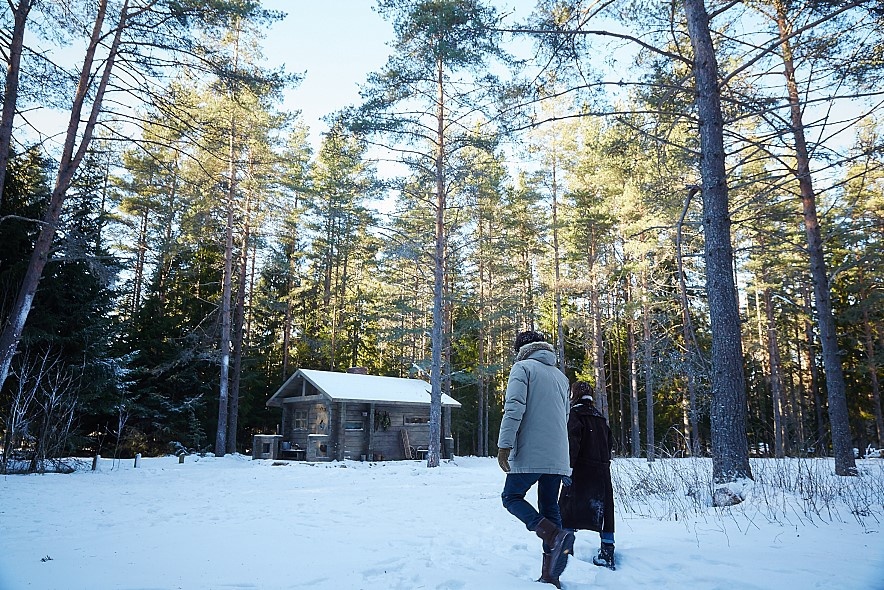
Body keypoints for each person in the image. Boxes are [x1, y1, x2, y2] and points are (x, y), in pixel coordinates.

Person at [497, 330, 573, 587]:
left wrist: (504, 445)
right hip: (557, 454)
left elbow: (514, 407)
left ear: (521, 349)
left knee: (511, 497)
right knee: (550, 506)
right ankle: (551, 574)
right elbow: (565, 418)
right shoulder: (561, 377)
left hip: (531, 449)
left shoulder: (523, 368)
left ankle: (554, 535)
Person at [558, 381, 616, 571]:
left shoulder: (575, 414)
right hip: (601, 471)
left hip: (580, 470)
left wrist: (567, 468)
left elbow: (572, 443)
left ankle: (566, 551)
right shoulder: (599, 417)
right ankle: (607, 551)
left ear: (573, 395)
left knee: (567, 509)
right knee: (605, 511)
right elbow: (610, 443)